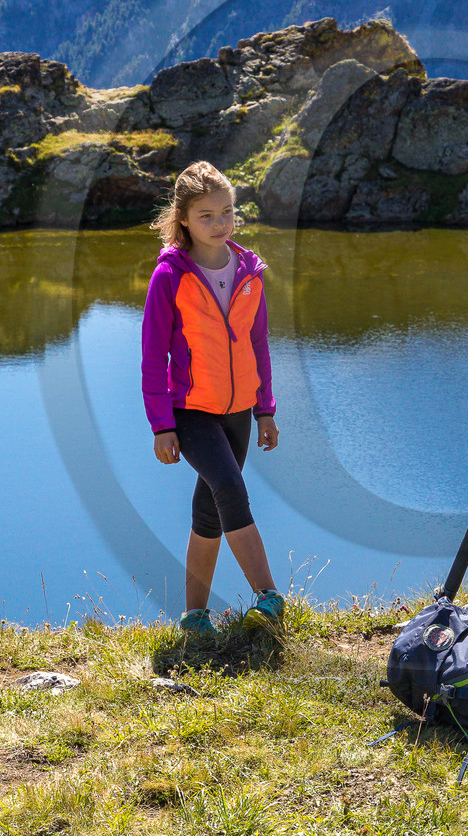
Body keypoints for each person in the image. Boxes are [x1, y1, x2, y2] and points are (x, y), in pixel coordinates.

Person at [141, 160, 286, 634]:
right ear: (183, 218)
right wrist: (162, 424)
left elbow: (258, 344)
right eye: (207, 215)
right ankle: (270, 598)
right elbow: (152, 356)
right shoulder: (170, 277)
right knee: (230, 490)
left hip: (240, 411)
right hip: (191, 412)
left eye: (227, 212)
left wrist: (265, 410)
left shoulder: (249, 272)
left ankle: (193, 617)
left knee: (208, 513)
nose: (220, 223)